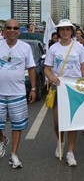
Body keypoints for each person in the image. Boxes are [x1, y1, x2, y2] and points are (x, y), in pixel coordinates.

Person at [44, 19, 84, 167]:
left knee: (71, 122)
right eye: (62, 30)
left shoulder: (79, 47)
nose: (65, 32)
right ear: (58, 32)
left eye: (67, 29)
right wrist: (51, 77)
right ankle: (60, 142)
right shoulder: (53, 48)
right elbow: (47, 68)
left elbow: (83, 68)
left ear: (71, 31)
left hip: (74, 89)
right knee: (58, 124)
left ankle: (70, 152)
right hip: (59, 88)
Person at [0, 19, 37, 169]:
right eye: (9, 27)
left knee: (17, 125)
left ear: (19, 31)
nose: (12, 30)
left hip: (17, 93)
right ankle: (3, 139)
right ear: (4, 30)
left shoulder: (25, 47)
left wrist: (33, 89)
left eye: (15, 28)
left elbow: (32, 68)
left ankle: (14, 154)